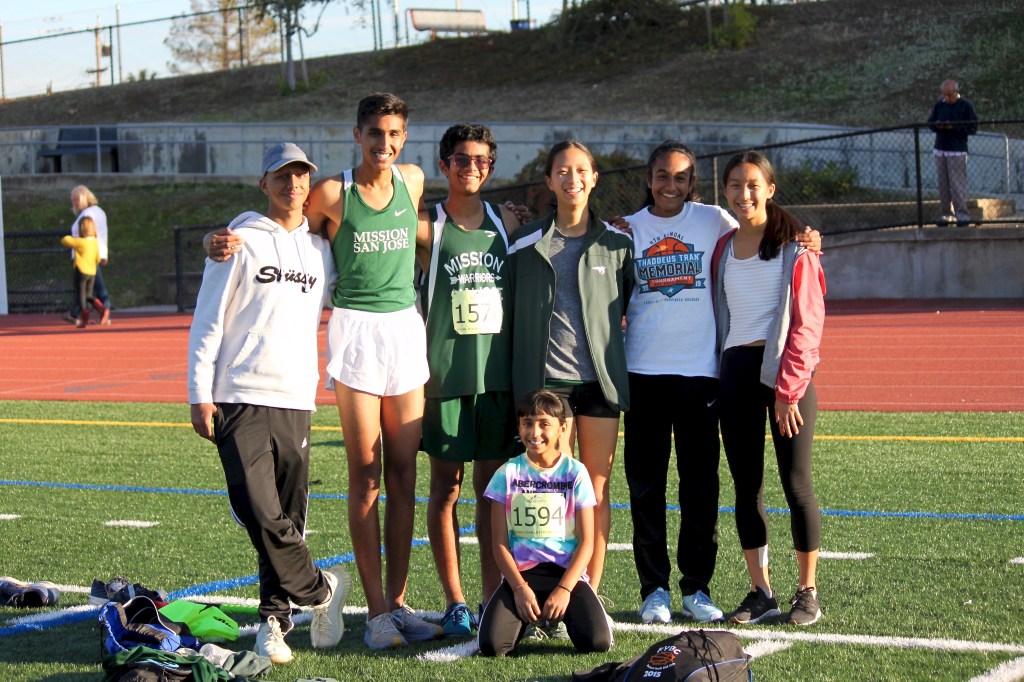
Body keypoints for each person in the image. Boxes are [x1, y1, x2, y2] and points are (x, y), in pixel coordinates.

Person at [621, 141, 822, 626]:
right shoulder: (634, 231)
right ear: (648, 179)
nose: (671, 185)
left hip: (726, 375)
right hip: (677, 373)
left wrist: (809, 238)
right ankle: (686, 590)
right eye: (663, 176)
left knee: (732, 487)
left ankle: (729, 588)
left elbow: (804, 313)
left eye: (681, 177)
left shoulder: (726, 225)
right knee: (680, 489)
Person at [187, 142, 350, 664]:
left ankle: (274, 622)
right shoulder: (238, 242)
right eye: (282, 176)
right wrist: (198, 393)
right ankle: (322, 589)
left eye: (301, 176)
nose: (292, 184)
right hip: (238, 395)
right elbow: (207, 320)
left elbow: (353, 289)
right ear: (264, 184)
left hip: (296, 397)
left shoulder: (321, 251)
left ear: (310, 184)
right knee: (257, 510)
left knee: (287, 515)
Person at [304, 92, 444, 650]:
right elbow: (292, 234)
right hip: (356, 331)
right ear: (357, 135)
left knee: (404, 473)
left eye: (393, 134)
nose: (383, 144)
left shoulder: (413, 181)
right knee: (365, 475)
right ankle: (376, 612)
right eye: (374, 133)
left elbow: (430, 234)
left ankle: (399, 604)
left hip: (405, 329)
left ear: (403, 138)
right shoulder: (331, 192)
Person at [507, 140, 633, 598]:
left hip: (599, 384)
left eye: (581, 170)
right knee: (549, 488)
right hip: (548, 385)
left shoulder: (618, 243)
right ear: (549, 180)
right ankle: (545, 585)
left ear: (594, 179)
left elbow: (628, 303)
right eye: (562, 170)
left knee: (594, 489)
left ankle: (587, 593)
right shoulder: (524, 241)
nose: (572, 178)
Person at [418, 123, 524, 636]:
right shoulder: (427, 226)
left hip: (496, 379)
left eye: (482, 161)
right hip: (446, 379)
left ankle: (490, 596)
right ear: (444, 165)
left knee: (491, 493)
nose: (472, 168)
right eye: (462, 159)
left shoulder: (507, 222)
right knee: (446, 489)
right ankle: (455, 600)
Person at [711, 151, 826, 626]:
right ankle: (761, 592)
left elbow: (807, 324)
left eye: (753, 184)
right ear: (725, 191)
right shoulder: (723, 246)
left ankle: (807, 591)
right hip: (736, 371)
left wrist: (787, 390)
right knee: (746, 487)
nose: (744, 193)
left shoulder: (796, 248)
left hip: (784, 376)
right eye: (735, 185)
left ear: (770, 189)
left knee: (796, 482)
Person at [478, 389, 613, 657]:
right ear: (519, 426)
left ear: (562, 428)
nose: (534, 432)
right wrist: (519, 589)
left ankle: (560, 615)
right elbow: (499, 544)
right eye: (527, 423)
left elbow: (587, 542)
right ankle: (529, 618)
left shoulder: (575, 473)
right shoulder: (507, 474)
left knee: (597, 642)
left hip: (565, 574)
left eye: (544, 424)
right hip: (523, 576)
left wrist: (564, 589)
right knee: (492, 645)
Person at [927, 79, 978, 227]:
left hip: (957, 150)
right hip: (940, 149)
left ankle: (962, 216)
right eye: (944, 95)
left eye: (949, 95)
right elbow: (930, 122)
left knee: (957, 185)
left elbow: (973, 127)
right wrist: (937, 126)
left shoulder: (965, 106)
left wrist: (954, 127)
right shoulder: (940, 105)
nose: (946, 98)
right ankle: (946, 215)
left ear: (956, 92)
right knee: (943, 185)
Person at [65, 185, 111, 325]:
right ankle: (95, 311)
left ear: (84, 198)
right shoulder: (98, 212)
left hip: (85, 256)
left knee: (85, 288)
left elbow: (86, 235)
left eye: (76, 199)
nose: (74, 203)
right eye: (72, 200)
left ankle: (81, 313)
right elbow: (102, 234)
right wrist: (103, 253)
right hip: (94, 254)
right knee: (92, 287)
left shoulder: (87, 215)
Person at [60, 216, 106, 328]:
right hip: (92, 272)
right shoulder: (94, 242)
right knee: (89, 295)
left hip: (81, 271)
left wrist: (73, 236)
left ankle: (83, 319)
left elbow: (65, 240)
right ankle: (101, 308)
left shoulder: (80, 242)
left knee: (81, 295)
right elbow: (97, 259)